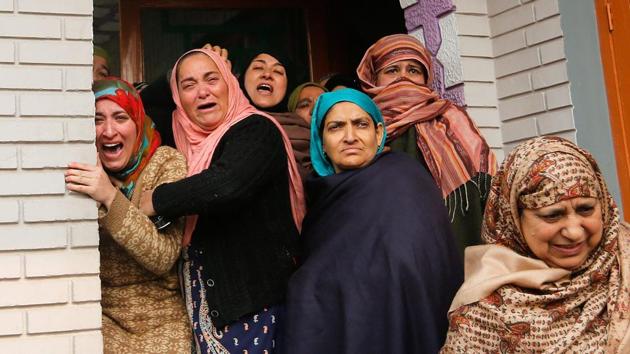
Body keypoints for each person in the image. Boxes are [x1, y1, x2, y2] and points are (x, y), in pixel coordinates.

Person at [138, 48, 306, 353]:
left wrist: (156, 200)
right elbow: (142, 104)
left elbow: (226, 184)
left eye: (212, 79)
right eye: (188, 85)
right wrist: (170, 77)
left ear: (231, 83)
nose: (202, 92)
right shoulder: (182, 134)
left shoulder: (256, 129)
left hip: (254, 305)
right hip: (206, 303)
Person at [284, 88, 463, 354]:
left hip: (397, 320)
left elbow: (415, 263)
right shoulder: (318, 195)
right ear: (321, 141)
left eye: (361, 125)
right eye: (335, 127)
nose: (350, 137)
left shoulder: (404, 179)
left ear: (378, 133)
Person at [441, 136, 630, 353]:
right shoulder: (483, 315)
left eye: (585, 209)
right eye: (552, 215)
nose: (574, 231)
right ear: (512, 218)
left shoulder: (623, 260)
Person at [65, 78, 190, 353]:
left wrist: (108, 196)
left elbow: (162, 257)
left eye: (120, 117)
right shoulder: (84, 170)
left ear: (137, 121)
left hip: (163, 321)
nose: (108, 131)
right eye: (97, 119)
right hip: (102, 320)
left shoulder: (167, 162)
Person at [357, 34, 497, 256]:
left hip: (454, 244)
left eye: (413, 70)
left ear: (426, 78)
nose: (403, 77)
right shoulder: (361, 125)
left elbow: (488, 188)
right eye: (392, 70)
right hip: (388, 248)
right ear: (373, 80)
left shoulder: (451, 118)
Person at [238, 47, 312, 178]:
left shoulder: (306, 133)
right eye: (258, 68)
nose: (267, 74)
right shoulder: (224, 125)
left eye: (278, 71)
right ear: (242, 78)